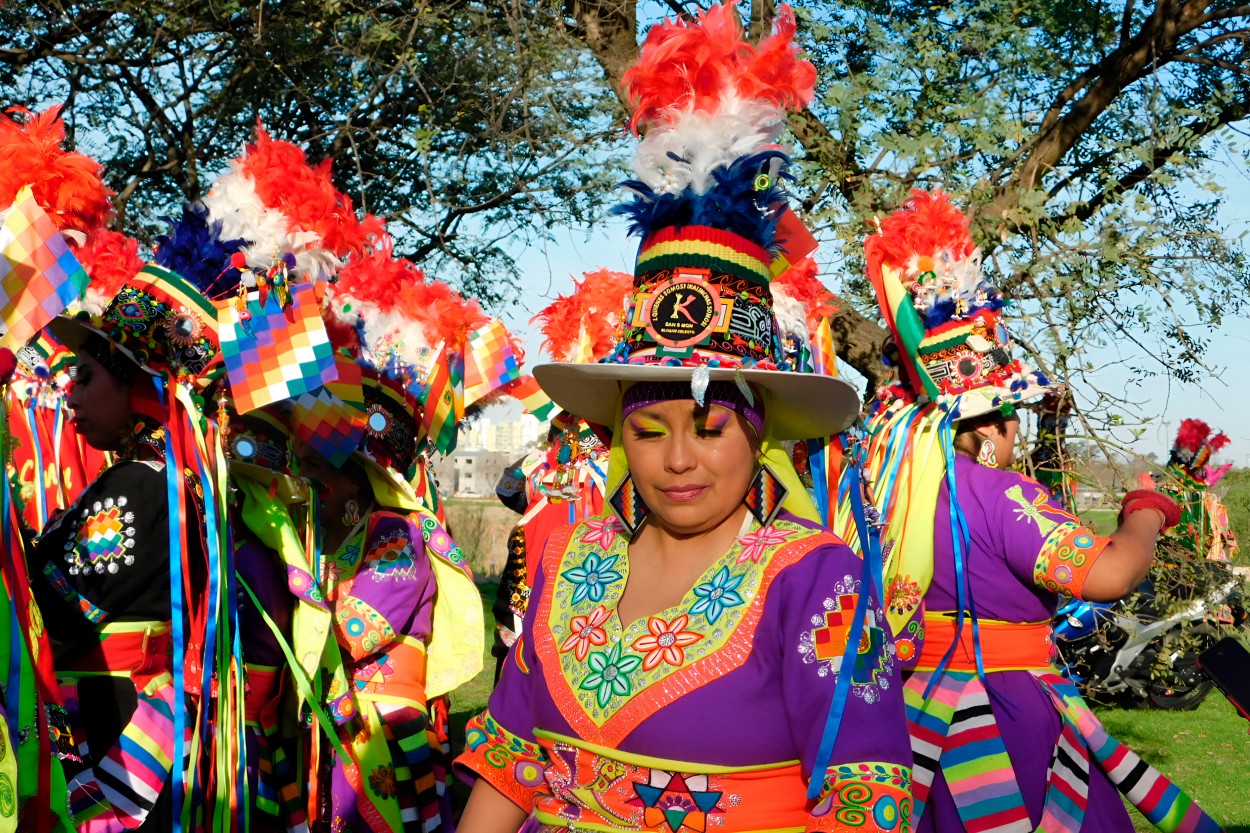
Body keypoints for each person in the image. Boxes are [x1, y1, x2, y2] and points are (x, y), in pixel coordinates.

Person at [456, 5, 913, 831]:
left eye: (708, 426)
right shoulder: (566, 556)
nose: (675, 459)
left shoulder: (814, 580)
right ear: (614, 432)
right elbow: (511, 767)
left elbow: (864, 802)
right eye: (648, 426)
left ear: (759, 428)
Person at [863, 190, 1222, 832]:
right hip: (1003, 712)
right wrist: (1146, 511)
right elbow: (1108, 575)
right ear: (989, 424)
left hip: (914, 710)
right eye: (1012, 419)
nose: (1016, 436)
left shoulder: (890, 490)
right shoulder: (997, 492)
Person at [36, 264, 219, 832]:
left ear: (136, 386)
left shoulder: (141, 483)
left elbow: (61, 608)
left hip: (112, 721)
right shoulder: (166, 479)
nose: (71, 393)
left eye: (86, 378)